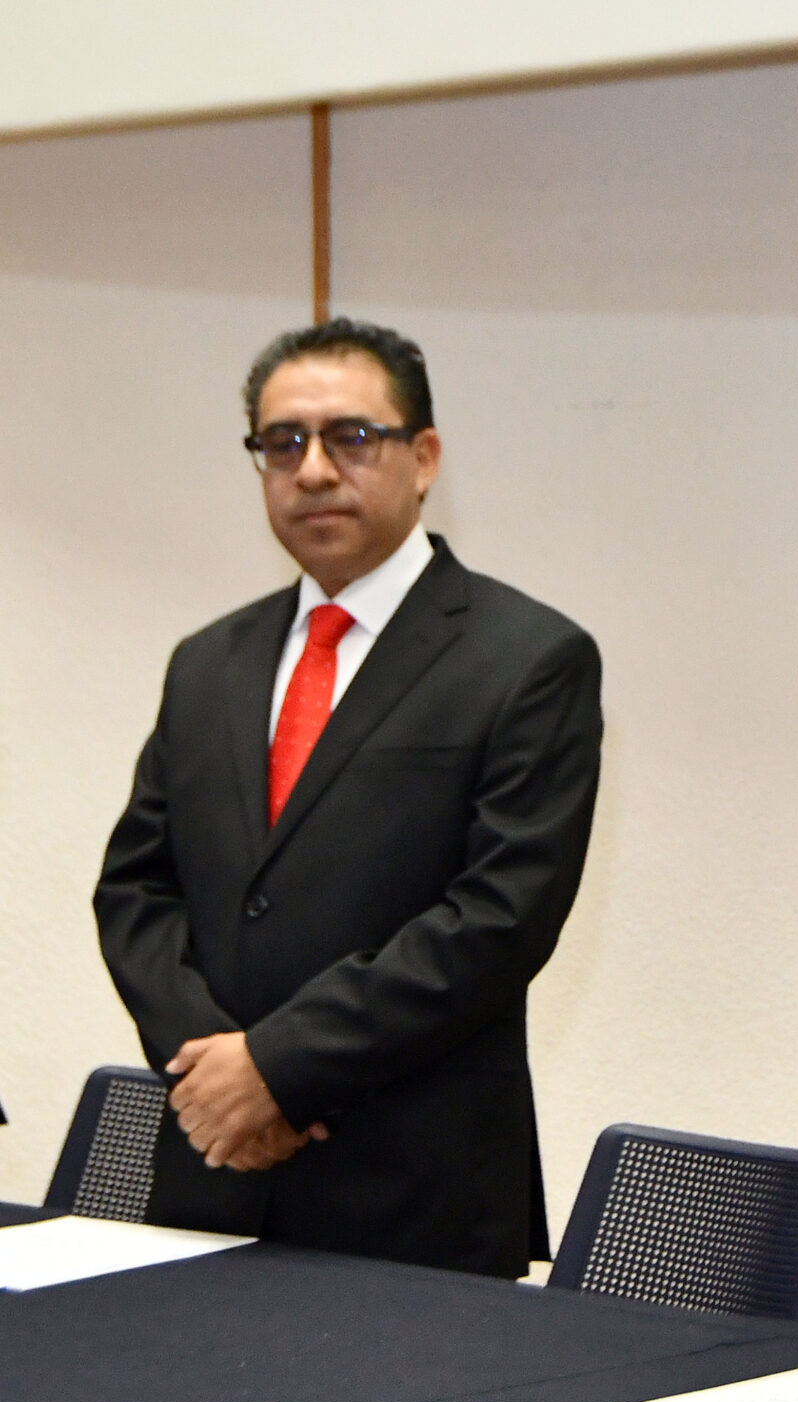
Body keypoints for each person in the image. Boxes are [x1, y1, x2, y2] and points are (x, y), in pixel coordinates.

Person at [94, 318, 604, 1278]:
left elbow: (497, 920)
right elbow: (135, 892)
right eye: (282, 442)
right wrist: (217, 1072)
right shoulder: (207, 663)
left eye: (351, 437)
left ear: (424, 458)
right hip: (211, 1177)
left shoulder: (528, 657)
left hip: (416, 1195)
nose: (315, 469)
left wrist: (277, 1069)